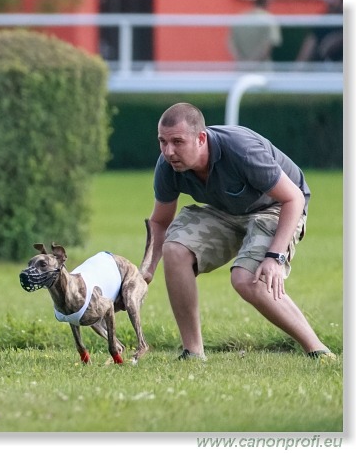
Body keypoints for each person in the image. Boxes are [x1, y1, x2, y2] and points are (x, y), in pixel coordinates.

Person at [142, 102, 334, 361]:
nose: (168, 151)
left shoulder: (241, 150)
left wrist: (275, 258)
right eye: (162, 142)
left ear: (201, 138)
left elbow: (294, 199)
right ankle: (193, 353)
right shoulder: (168, 166)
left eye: (177, 142)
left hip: (277, 207)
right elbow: (160, 222)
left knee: (247, 279)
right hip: (226, 210)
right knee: (175, 250)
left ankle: (318, 350)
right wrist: (146, 272)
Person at [227, 0, 282, 70]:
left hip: (241, 70)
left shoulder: (240, 19)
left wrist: (243, 62)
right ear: (267, 2)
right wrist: (253, 63)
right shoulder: (269, 20)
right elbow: (269, 45)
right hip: (262, 72)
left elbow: (231, 44)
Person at [296, 0, 343, 65]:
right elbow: (305, 53)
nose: (329, 1)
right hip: (324, 69)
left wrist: (340, 40)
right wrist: (295, 73)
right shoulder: (322, 21)